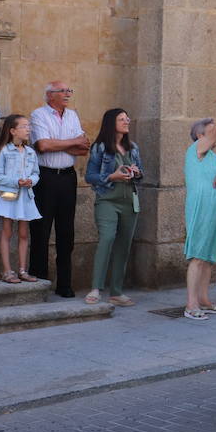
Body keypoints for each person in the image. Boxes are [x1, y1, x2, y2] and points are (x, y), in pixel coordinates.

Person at [28, 80, 89, 298]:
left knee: (66, 232)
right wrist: (71, 142)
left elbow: (84, 147)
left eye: (69, 90)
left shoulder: (72, 115)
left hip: (67, 177)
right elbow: (42, 146)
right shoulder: (38, 115)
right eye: (62, 91)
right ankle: (40, 281)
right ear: (49, 95)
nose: (67, 94)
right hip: (45, 177)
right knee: (41, 230)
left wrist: (60, 143)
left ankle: (64, 284)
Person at [183, 88, 216, 320]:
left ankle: (203, 299)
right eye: (211, 129)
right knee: (197, 255)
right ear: (200, 135)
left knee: (207, 256)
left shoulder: (215, 157)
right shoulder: (196, 149)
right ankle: (191, 304)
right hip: (201, 208)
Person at [84, 108, 143, 307]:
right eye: (122, 119)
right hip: (107, 200)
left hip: (130, 201)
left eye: (127, 118)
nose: (127, 121)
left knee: (124, 246)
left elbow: (141, 174)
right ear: (111, 123)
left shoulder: (133, 147)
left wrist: (136, 172)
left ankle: (116, 292)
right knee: (107, 238)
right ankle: (95, 288)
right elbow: (89, 176)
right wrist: (111, 176)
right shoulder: (100, 147)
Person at [0, 114, 41, 284]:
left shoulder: (30, 152)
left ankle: (22, 269)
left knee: (23, 233)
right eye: (24, 126)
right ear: (13, 131)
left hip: (26, 196)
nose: (28, 129)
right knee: (7, 232)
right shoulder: (4, 151)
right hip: (9, 195)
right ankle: (7, 270)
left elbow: (35, 173)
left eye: (29, 126)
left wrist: (31, 181)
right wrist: (16, 182)